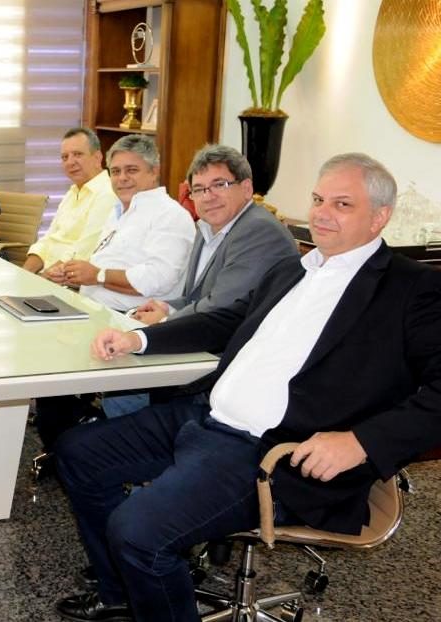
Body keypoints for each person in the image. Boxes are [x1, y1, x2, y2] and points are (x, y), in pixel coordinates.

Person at [53, 153, 441, 622]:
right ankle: (123, 593)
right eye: (318, 199)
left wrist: (360, 442)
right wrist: (140, 339)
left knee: (138, 531)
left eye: (342, 204)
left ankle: (148, 582)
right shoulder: (293, 268)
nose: (321, 213)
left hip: (271, 452)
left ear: (379, 217)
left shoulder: (413, 289)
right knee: (77, 452)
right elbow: (227, 320)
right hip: (206, 417)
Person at [131, 144, 298, 326]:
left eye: (219, 185)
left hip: (237, 339)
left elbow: (223, 305)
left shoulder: (259, 230)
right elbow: (194, 299)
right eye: (198, 189)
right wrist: (165, 307)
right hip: (206, 331)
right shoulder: (205, 228)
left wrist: (164, 321)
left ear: (247, 188)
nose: (208, 197)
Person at [56, 134, 195, 312]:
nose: (122, 178)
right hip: (89, 306)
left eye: (131, 170)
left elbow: (157, 279)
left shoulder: (171, 215)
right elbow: (104, 266)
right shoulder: (118, 211)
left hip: (128, 318)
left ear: (154, 172)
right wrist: (73, 274)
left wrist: (98, 276)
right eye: (115, 172)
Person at [24, 128, 117, 277]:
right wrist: (25, 273)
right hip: (47, 275)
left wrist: (43, 278)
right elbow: (49, 239)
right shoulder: (73, 191)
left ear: (97, 157)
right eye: (65, 157)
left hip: (70, 281)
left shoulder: (108, 193)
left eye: (78, 154)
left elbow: (84, 251)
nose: (70, 162)